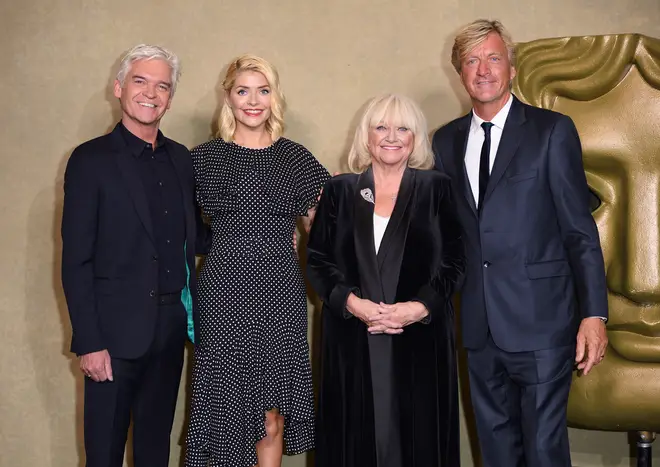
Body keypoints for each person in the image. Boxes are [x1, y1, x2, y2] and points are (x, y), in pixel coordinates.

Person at [432, 19, 609, 466]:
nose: (483, 69)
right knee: (495, 452)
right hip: (477, 324)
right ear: (460, 74)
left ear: (511, 68)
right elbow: (442, 232)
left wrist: (594, 313)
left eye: (493, 58)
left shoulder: (552, 131)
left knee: (544, 451)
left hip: (543, 323)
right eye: (471, 61)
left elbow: (578, 230)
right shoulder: (446, 141)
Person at [61, 44, 209, 467]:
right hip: (111, 338)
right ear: (119, 87)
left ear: (170, 97)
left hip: (169, 330)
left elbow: (195, 237)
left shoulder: (182, 159)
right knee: (104, 455)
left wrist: (263, 233)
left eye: (162, 86)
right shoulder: (90, 160)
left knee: (153, 452)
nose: (151, 93)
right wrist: (89, 342)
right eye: (141, 81)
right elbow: (76, 260)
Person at [184, 54, 330, 467]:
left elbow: (325, 231)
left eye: (262, 91)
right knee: (225, 406)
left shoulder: (295, 159)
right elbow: (176, 230)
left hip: (279, 290)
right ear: (227, 98)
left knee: (272, 410)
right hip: (222, 290)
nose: (253, 101)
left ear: (274, 98)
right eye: (242, 91)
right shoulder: (204, 159)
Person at [306, 93, 464, 467]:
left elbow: (455, 261)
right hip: (351, 339)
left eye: (402, 128)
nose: (391, 136)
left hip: (421, 338)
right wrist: (353, 304)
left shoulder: (437, 188)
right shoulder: (339, 190)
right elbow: (318, 260)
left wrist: (418, 307)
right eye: (381, 127)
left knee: (419, 442)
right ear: (366, 136)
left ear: (416, 138)